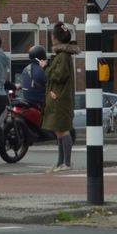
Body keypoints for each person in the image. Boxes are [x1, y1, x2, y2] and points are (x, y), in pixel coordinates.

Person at [43, 22, 80, 172]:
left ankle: (67, 163)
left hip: (60, 98)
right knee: (58, 130)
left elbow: (60, 75)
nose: (51, 38)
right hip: (58, 97)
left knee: (63, 129)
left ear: (57, 38)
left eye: (53, 35)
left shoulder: (63, 56)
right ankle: (60, 162)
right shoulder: (62, 55)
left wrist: (46, 68)